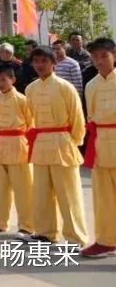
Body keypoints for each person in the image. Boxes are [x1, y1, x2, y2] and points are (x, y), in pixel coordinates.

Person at [25, 47, 88, 246]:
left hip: (62, 142)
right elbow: (30, 118)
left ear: (54, 63)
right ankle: (45, 232)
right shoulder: (30, 89)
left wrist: (73, 143)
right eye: (36, 61)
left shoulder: (65, 87)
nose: (39, 65)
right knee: (41, 193)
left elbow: (77, 118)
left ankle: (75, 237)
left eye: (44, 61)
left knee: (68, 193)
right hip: (41, 144)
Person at [0, 63, 34, 237]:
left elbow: (31, 123)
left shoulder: (22, 100)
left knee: (24, 189)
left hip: (19, 144)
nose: (0, 83)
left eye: (3, 79)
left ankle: (27, 225)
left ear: (13, 79)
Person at [82, 38, 116, 258]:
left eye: (104, 55)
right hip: (101, 143)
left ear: (114, 55)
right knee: (103, 198)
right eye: (95, 57)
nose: (99, 61)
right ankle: (106, 241)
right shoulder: (91, 85)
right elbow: (91, 116)